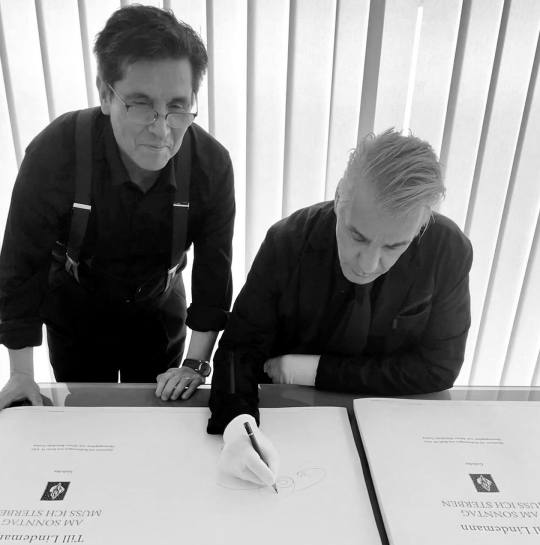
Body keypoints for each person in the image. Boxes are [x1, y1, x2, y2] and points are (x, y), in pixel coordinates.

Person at [208, 129, 473, 487]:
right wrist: (236, 423)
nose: (368, 263)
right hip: (288, 416)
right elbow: (239, 350)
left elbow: (439, 367)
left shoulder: (448, 251)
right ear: (338, 199)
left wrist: (313, 370)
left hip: (387, 421)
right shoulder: (287, 242)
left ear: (421, 225)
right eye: (357, 236)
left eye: (394, 246)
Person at [0, 5, 234, 410]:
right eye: (141, 104)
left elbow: (214, 277)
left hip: (159, 311)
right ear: (106, 94)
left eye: (177, 106)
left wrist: (196, 363)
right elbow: (21, 268)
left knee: (155, 417)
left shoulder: (211, 165)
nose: (161, 128)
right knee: (86, 419)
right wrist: (20, 374)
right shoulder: (56, 152)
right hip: (76, 310)